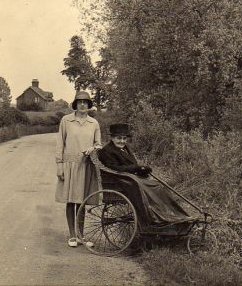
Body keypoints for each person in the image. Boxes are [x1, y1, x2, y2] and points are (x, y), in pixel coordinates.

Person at [97, 123, 195, 228]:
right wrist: (136, 168)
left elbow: (132, 165)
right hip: (120, 181)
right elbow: (115, 168)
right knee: (147, 188)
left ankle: (173, 215)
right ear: (112, 138)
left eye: (124, 138)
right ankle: (156, 218)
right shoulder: (106, 151)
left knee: (158, 186)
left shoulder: (124, 148)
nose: (122, 141)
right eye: (118, 138)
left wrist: (143, 169)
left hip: (130, 178)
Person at [55, 91, 102, 247]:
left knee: (82, 200)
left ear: (89, 105)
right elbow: (60, 144)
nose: (83, 104)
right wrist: (59, 165)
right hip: (69, 164)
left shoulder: (93, 123)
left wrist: (92, 148)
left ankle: (81, 236)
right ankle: (72, 236)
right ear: (75, 104)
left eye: (86, 102)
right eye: (80, 101)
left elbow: (98, 144)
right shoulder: (66, 121)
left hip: (86, 165)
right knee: (71, 200)